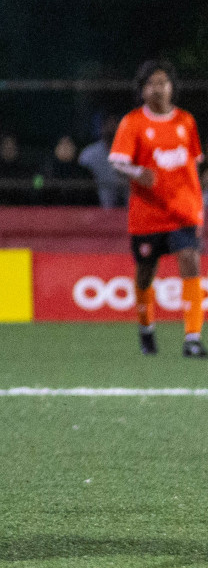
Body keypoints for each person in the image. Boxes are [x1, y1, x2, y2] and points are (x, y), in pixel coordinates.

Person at [108, 60, 205, 357]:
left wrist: (194, 198)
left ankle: (192, 338)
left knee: (190, 261)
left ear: (172, 87)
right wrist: (139, 173)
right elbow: (117, 162)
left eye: (163, 82)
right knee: (145, 275)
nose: (158, 88)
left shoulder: (186, 122)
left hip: (183, 212)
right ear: (142, 90)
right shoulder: (133, 122)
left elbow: (196, 161)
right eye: (151, 83)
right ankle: (146, 328)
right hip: (147, 215)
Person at [80, 115, 129, 208]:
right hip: (98, 210)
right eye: (108, 125)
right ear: (101, 128)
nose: (111, 128)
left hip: (129, 210)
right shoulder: (88, 155)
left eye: (115, 125)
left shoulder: (134, 153)